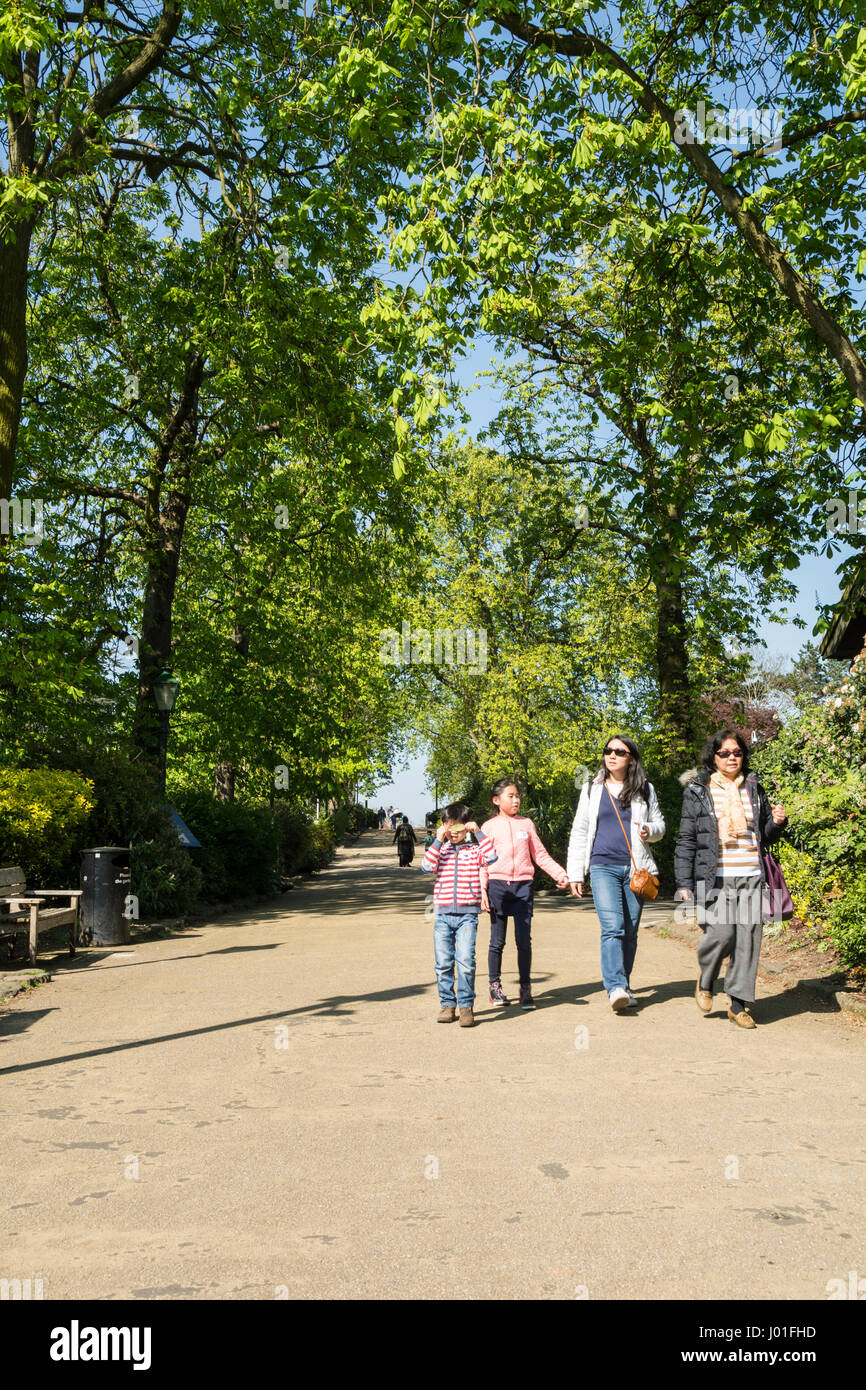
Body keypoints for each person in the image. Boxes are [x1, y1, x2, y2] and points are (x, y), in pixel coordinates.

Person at [675, 728, 787, 1028]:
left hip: (751, 873)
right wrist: (684, 884)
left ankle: (739, 1005)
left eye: (737, 752)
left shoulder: (753, 786)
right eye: (724, 752)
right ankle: (707, 977)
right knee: (722, 934)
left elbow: (764, 835)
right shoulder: (698, 790)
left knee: (748, 941)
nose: (731, 757)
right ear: (713, 756)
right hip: (715, 878)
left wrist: (776, 823)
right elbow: (687, 839)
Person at [566, 736, 665, 1012]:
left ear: (631, 758)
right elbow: (580, 830)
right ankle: (615, 988)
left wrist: (650, 830)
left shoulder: (645, 789)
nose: (612, 755)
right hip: (601, 866)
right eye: (608, 750)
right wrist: (575, 873)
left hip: (635, 869)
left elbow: (660, 825)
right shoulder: (591, 788)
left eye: (619, 752)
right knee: (613, 928)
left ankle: (624, 984)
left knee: (630, 932)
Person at [480, 778, 570, 1011]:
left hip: (523, 887)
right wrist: (482, 890)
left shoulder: (527, 824)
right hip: (497, 885)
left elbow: (539, 854)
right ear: (496, 800)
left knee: (523, 940)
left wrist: (559, 874)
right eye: (510, 796)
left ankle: (525, 988)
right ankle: (495, 986)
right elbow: (481, 862)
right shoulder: (488, 827)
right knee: (497, 941)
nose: (516, 799)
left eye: (517, 795)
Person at [421, 803, 498, 1027]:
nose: (453, 832)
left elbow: (492, 857)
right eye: (448, 826)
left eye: (458, 827)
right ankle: (447, 1004)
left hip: (467, 915)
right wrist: (438, 840)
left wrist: (478, 832)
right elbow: (426, 867)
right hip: (443, 915)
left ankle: (466, 1006)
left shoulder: (474, 850)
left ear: (466, 827)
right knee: (443, 962)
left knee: (465, 960)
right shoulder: (440, 850)